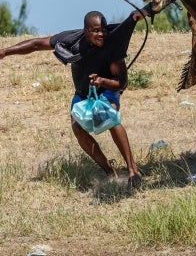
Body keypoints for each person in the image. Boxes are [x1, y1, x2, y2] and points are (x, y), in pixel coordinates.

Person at [0, 11, 141, 186]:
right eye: (96, 30)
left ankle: (133, 170)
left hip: (107, 90)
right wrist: (5, 51)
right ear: (86, 30)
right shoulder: (71, 39)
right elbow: (37, 44)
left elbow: (122, 84)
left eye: (104, 29)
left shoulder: (112, 44)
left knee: (108, 116)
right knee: (77, 128)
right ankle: (109, 170)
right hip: (82, 94)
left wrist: (102, 81)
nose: (102, 34)